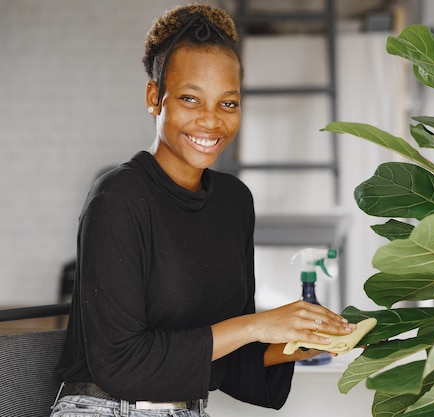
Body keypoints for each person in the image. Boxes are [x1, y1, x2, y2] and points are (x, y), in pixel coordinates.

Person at [50, 3, 355, 417]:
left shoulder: (234, 203)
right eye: (191, 99)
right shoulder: (118, 198)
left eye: (228, 104)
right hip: (102, 409)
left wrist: (300, 340)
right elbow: (120, 362)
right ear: (154, 97)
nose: (211, 122)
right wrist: (257, 324)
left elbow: (219, 360)